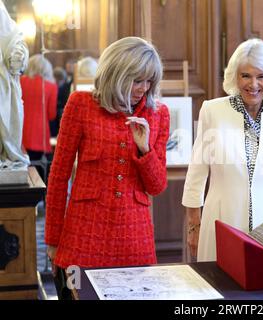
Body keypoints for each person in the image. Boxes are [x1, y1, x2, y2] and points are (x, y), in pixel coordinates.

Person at [45, 37, 169, 299]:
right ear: (116, 74)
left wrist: (144, 149)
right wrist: (53, 240)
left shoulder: (158, 114)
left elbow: (157, 187)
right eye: (137, 80)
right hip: (82, 238)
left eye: (149, 81)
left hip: (135, 240)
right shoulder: (81, 104)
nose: (144, 88)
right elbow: (58, 177)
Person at [182, 38, 263, 262]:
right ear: (234, 77)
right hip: (221, 219)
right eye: (246, 75)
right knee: (219, 289)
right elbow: (197, 172)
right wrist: (193, 225)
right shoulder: (212, 110)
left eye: (261, 76)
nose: (253, 84)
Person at [0, 0, 29, 168]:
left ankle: (8, 155)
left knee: (8, 126)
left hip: (4, 88)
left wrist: (18, 56)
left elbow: (16, 44)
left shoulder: (7, 27)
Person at [20, 54, 57, 165]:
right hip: (40, 135)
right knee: (39, 169)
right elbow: (51, 115)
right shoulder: (51, 86)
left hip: (20, 132)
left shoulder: (20, 82)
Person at [51, 67, 71, 137]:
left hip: (61, 111)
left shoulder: (66, 87)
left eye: (60, 80)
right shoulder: (52, 87)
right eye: (56, 80)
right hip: (55, 113)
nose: (58, 83)